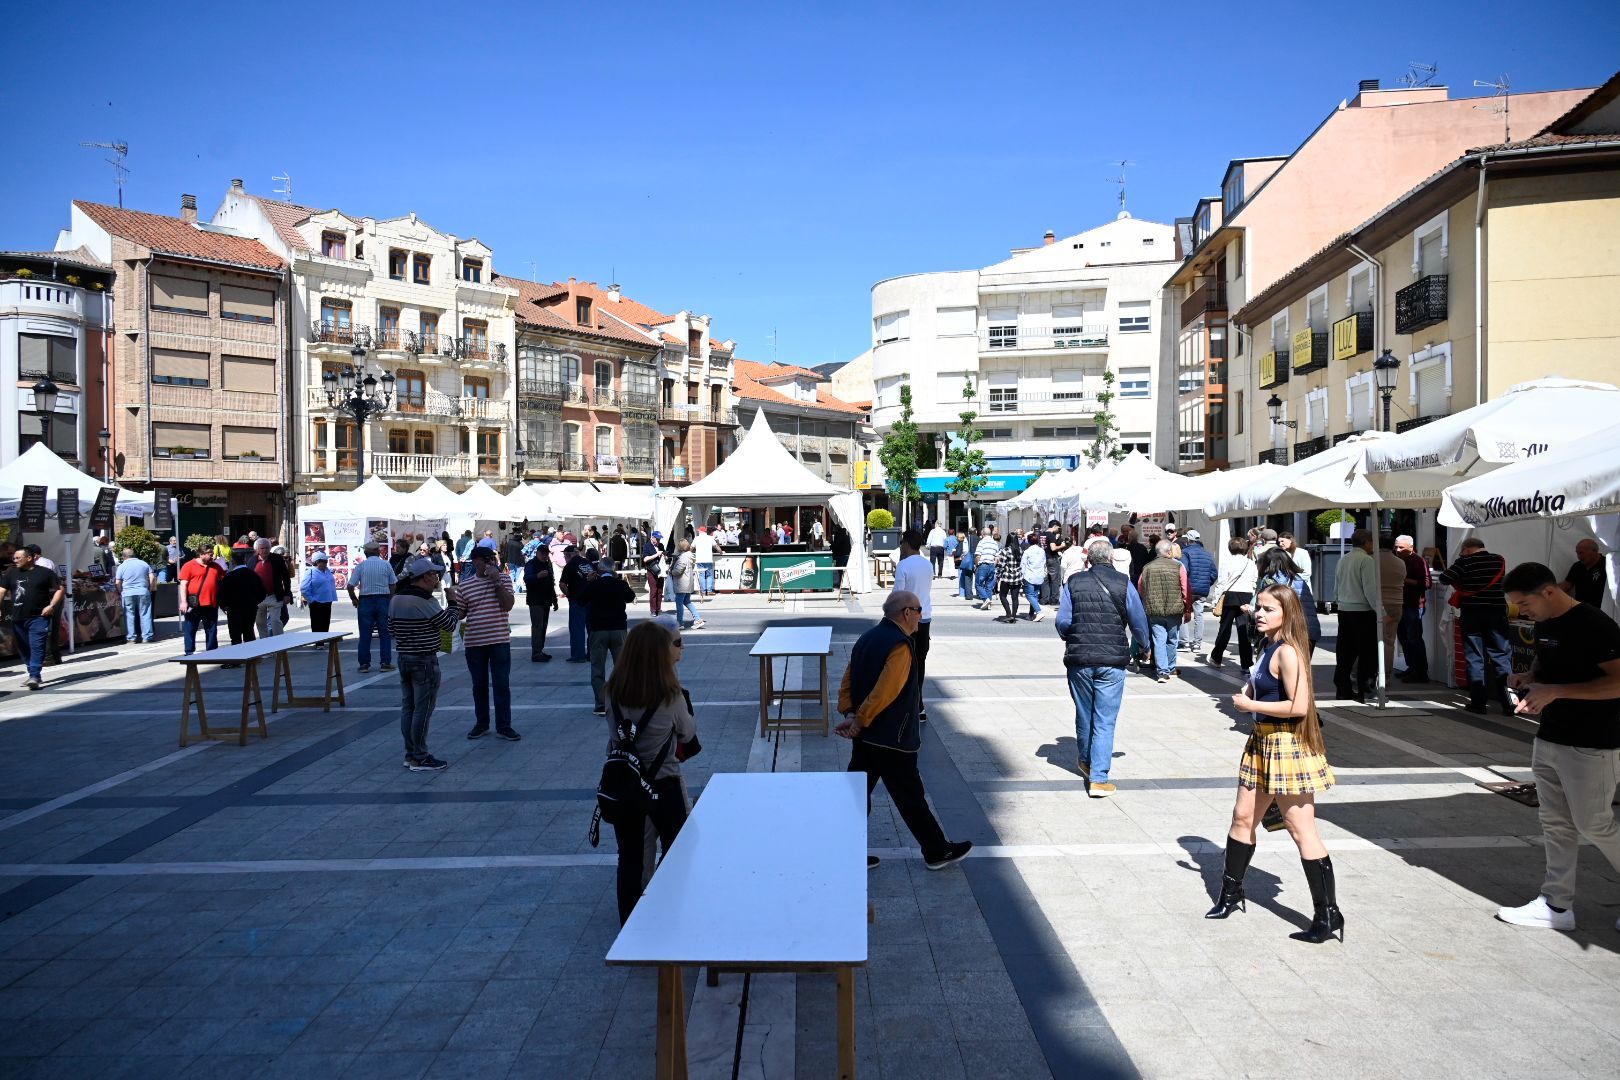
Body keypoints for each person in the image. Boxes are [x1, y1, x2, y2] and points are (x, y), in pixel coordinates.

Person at [1207, 584, 1342, 943]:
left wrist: (1250, 705)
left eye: (1269, 609)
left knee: (1301, 829)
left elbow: (1299, 707)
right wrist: (1251, 691)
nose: (1259, 614)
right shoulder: (1269, 645)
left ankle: (1328, 914)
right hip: (1261, 742)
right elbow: (1267, 687)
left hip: (1286, 746)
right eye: (1259, 607)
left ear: (1287, 613)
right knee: (1242, 817)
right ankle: (1231, 894)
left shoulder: (1289, 652)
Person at [1496, 562, 1620, 932]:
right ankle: (1556, 905)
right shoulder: (1546, 621)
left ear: (1549, 591)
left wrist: (1556, 691)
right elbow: (1548, 660)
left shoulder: (1594, 624)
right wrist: (1531, 676)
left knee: (1594, 824)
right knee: (1555, 824)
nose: (1521, 612)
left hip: (1594, 741)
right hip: (1551, 736)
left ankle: (1557, 905)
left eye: (1524, 603)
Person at [837, 591, 973, 871]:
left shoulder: (867, 638)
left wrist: (850, 713)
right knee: (909, 797)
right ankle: (936, 851)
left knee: (855, 794)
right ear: (907, 613)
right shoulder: (899, 644)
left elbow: (848, 679)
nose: (921, 616)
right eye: (919, 610)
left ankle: (845, 852)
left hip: (867, 737)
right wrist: (859, 719)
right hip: (892, 738)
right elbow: (885, 691)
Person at [604, 620, 698, 922]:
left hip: (625, 782)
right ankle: (670, 910)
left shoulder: (613, 692)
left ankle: (631, 923)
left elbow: (615, 734)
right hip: (663, 783)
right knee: (677, 850)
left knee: (630, 857)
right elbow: (687, 733)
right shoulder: (670, 696)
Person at [1057, 539, 1150, 797]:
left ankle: (1086, 760)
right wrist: (1144, 645)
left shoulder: (1073, 582)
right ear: (1111, 559)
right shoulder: (1124, 583)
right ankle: (1098, 779)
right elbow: (1138, 620)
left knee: (1084, 713)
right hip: (1112, 660)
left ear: (1088, 560)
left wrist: (1074, 634)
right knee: (1105, 719)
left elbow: (1063, 622)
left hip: (1079, 659)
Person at [388, 556, 464, 772]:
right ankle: (420, 756)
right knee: (423, 709)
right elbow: (449, 624)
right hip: (423, 659)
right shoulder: (425, 601)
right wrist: (452, 602)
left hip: (404, 656)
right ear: (425, 577)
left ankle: (410, 753)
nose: (437, 578)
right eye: (434, 574)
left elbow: (391, 629)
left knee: (409, 707)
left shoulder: (396, 599)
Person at [1439, 537, 1512, 714]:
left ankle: (1478, 703)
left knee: (1475, 658)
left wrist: (1461, 568)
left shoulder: (1464, 562)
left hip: (1472, 614)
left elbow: (1444, 578)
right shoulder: (1498, 560)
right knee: (1501, 657)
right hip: (1497, 613)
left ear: (1467, 549)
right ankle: (1510, 703)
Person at [459, 546, 519, 741]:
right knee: (479, 685)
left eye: (492, 559)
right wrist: (451, 602)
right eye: (485, 560)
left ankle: (504, 725)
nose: (490, 563)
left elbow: (508, 605)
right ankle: (482, 723)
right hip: (474, 642)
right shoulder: (466, 586)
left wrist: (496, 582)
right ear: (475, 561)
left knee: (501, 684)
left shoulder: (503, 579)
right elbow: (460, 613)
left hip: (499, 640)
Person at [1, 547, 65, 690]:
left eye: (18, 558)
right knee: (23, 647)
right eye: (14, 558)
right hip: (18, 617)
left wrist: (51, 606)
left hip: (39, 617)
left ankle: (35, 675)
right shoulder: (11, 573)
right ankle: (32, 672)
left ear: (29, 558)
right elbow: (1, 590)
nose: (15, 560)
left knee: (37, 645)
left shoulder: (45, 573)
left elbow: (60, 589)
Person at [890, 530, 934, 722]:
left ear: (907, 544)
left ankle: (906, 705)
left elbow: (897, 594)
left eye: (902, 543)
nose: (900, 547)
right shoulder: (928, 564)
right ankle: (919, 705)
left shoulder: (903, 565)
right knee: (919, 662)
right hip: (925, 618)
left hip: (906, 621)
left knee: (904, 663)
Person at [1331, 529, 1379, 702]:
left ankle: (1343, 689)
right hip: (1362, 612)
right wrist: (1381, 612)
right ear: (1367, 542)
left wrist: (1339, 601)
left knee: (1345, 653)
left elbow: (1336, 587)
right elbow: (1370, 590)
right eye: (1372, 542)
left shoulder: (1343, 559)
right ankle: (1364, 689)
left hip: (1344, 610)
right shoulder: (1367, 560)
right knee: (1367, 653)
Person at [584, 558, 636, 715]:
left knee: (597, 667)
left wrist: (588, 582)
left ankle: (601, 704)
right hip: (618, 629)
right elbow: (631, 597)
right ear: (613, 570)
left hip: (598, 629)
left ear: (599, 570)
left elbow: (580, 599)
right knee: (621, 667)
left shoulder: (594, 585)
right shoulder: (620, 584)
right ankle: (622, 701)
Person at [1139, 540, 1191, 683]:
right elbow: (1185, 589)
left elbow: (1141, 587)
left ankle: (1162, 672)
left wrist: (1147, 601)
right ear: (1169, 552)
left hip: (1154, 609)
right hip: (1174, 609)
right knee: (1172, 639)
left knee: (1159, 639)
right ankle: (1170, 667)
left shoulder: (1147, 567)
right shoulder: (1178, 566)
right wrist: (1187, 608)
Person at [1207, 537, 1257, 670]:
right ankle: (1246, 663)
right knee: (1244, 630)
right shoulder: (1250, 563)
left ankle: (1217, 657)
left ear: (1230, 548)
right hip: (1246, 596)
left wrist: (1215, 601)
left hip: (1230, 596)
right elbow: (1254, 581)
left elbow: (1221, 583)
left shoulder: (1227, 562)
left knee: (1225, 629)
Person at [1255, 547, 1320, 650]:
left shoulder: (1269, 580)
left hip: (1288, 631)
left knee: (1279, 659)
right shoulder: (1299, 579)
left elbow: (1264, 605)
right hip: (1310, 629)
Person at [348, 544, 398, 673]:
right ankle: (385, 663)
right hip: (383, 599)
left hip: (365, 600)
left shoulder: (361, 566)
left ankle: (364, 664)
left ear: (366, 553)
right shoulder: (386, 565)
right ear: (378, 552)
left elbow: (350, 585)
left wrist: (354, 599)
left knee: (365, 634)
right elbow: (393, 584)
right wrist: (390, 598)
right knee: (385, 633)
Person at [1393, 534, 1431, 682]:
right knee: (1403, 637)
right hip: (1400, 603)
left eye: (1401, 547)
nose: (1398, 550)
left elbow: (1426, 583)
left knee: (1414, 638)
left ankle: (1420, 672)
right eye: (1396, 547)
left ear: (1410, 547)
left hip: (1413, 605)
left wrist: (1404, 580)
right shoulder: (1397, 560)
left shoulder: (1418, 560)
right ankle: (1411, 667)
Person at [177, 547, 225, 655]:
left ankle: (212, 652)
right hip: (194, 604)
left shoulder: (215, 566)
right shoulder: (189, 565)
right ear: (201, 554)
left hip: (211, 604)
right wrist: (183, 602)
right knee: (190, 629)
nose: (212, 556)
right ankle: (189, 652)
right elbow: (183, 585)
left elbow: (224, 580)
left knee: (211, 630)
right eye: (210, 554)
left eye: (212, 553)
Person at [218, 548, 267, 650]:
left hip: (234, 609)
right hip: (250, 608)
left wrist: (223, 605)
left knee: (235, 636)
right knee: (249, 632)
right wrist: (254, 602)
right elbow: (262, 592)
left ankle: (237, 656)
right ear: (244, 561)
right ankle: (251, 655)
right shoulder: (253, 574)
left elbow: (222, 593)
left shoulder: (230, 576)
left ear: (233, 562)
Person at [1178, 529, 1217, 657]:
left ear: (1188, 540)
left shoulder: (1185, 552)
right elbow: (1214, 573)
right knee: (1199, 616)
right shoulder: (1207, 554)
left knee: (1183, 614)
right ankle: (1197, 644)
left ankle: (1184, 642)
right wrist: (1207, 583)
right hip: (1202, 590)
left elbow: (1184, 570)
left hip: (1189, 588)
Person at [523, 541, 559, 662]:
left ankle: (540, 650)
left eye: (546, 553)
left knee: (543, 626)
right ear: (537, 553)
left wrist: (554, 600)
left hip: (546, 599)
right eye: (542, 553)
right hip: (535, 600)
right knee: (537, 626)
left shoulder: (548, 564)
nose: (544, 555)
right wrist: (537, 576)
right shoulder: (531, 564)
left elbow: (551, 582)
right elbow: (527, 578)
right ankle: (536, 652)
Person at [113, 547, 157, 644]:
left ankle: (131, 637)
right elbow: (152, 577)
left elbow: (117, 582)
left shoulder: (121, 566)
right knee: (145, 614)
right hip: (143, 591)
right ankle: (147, 636)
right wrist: (150, 588)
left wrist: (120, 591)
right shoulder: (144, 563)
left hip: (128, 593)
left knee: (129, 615)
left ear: (124, 556)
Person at [1378, 536, 1407, 678]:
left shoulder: (1372, 560)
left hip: (1378, 603)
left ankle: (1373, 673)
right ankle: (1386, 674)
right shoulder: (1400, 562)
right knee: (1389, 641)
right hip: (1396, 603)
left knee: (1374, 640)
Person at [252, 538, 291, 639]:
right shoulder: (252, 561)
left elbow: (286, 577)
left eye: (267, 548)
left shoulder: (277, 559)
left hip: (274, 596)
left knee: (275, 621)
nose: (265, 550)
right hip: (258, 598)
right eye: (262, 548)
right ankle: (265, 644)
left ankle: (279, 644)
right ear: (257, 549)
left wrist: (287, 593)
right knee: (260, 623)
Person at [560, 543, 590, 662]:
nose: (565, 558)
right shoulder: (587, 563)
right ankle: (592, 653)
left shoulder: (570, 566)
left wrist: (569, 595)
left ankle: (578, 655)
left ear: (568, 555)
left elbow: (562, 585)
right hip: (591, 600)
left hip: (577, 600)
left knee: (577, 629)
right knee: (592, 628)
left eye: (565, 556)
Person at [1559, 539, 1607, 607]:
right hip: (1581, 608)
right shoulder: (1577, 566)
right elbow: (1567, 584)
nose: (1579, 556)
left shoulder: (1608, 565)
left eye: (1581, 553)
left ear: (1594, 551)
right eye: (1577, 553)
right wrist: (1551, 590)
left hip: (1602, 609)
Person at [669, 540, 704, 629]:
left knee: (679, 603)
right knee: (687, 601)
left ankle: (680, 623)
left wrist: (671, 572)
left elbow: (678, 571)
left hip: (682, 583)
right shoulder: (690, 556)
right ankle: (698, 619)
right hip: (687, 582)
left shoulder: (683, 557)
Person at [300, 551, 337, 633]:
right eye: (324, 561)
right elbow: (304, 588)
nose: (326, 563)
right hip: (316, 603)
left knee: (325, 625)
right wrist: (312, 600)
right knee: (317, 626)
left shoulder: (327, 571)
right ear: (317, 562)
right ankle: (318, 641)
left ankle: (324, 638)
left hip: (328, 601)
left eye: (326, 561)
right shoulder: (310, 572)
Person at [994, 533, 1023, 623]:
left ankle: (1008, 613)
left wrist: (998, 575)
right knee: (1015, 598)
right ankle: (1013, 616)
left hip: (1007, 576)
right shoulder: (1020, 550)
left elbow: (1001, 565)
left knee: (1002, 595)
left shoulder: (1005, 550)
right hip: (1017, 576)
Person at [1020, 531, 1047, 622]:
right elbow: (1044, 563)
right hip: (1039, 575)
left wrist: (1022, 575)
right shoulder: (1042, 551)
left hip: (1030, 575)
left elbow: (1023, 564)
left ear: (1028, 541)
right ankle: (1031, 614)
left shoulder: (1027, 551)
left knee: (1029, 595)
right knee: (1035, 595)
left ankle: (1039, 611)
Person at [641, 531, 667, 617]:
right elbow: (645, 559)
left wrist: (665, 556)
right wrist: (656, 554)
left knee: (660, 590)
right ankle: (653, 610)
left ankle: (658, 609)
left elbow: (664, 555)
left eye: (659, 539)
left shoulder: (661, 545)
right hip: (652, 570)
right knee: (653, 590)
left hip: (660, 570)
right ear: (652, 538)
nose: (658, 541)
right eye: (657, 539)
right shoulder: (647, 546)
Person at [973, 528, 1000, 609]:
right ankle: (988, 604)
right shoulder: (994, 543)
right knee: (989, 586)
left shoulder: (981, 542)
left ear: (983, 534)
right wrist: (994, 565)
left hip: (983, 565)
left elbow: (978, 555)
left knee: (978, 584)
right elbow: (997, 557)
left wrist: (976, 565)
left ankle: (986, 599)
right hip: (991, 565)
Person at [692, 527, 717, 599]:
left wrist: (688, 552)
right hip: (708, 559)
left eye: (699, 531)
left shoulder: (696, 538)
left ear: (701, 531)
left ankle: (703, 591)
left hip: (699, 559)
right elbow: (716, 546)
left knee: (702, 575)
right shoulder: (710, 538)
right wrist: (721, 552)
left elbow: (691, 547)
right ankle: (709, 591)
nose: (698, 532)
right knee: (709, 575)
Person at [956, 531, 976, 601]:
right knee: (969, 578)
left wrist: (957, 554)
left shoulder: (961, 543)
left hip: (964, 562)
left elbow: (960, 553)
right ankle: (968, 594)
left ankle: (963, 594)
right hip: (971, 562)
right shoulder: (968, 542)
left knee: (962, 579)